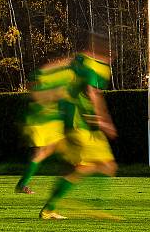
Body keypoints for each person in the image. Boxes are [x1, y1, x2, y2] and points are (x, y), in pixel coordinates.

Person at [40, 31, 118, 220]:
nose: (111, 56)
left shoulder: (80, 60)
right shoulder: (94, 67)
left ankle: (50, 208)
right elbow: (92, 93)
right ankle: (94, 206)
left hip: (72, 120)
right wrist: (103, 121)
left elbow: (60, 71)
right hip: (80, 122)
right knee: (102, 165)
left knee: (84, 167)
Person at [15, 57, 73, 194]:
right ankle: (59, 189)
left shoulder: (59, 78)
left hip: (48, 122)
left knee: (42, 153)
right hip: (44, 122)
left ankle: (23, 184)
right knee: (47, 153)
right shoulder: (56, 78)